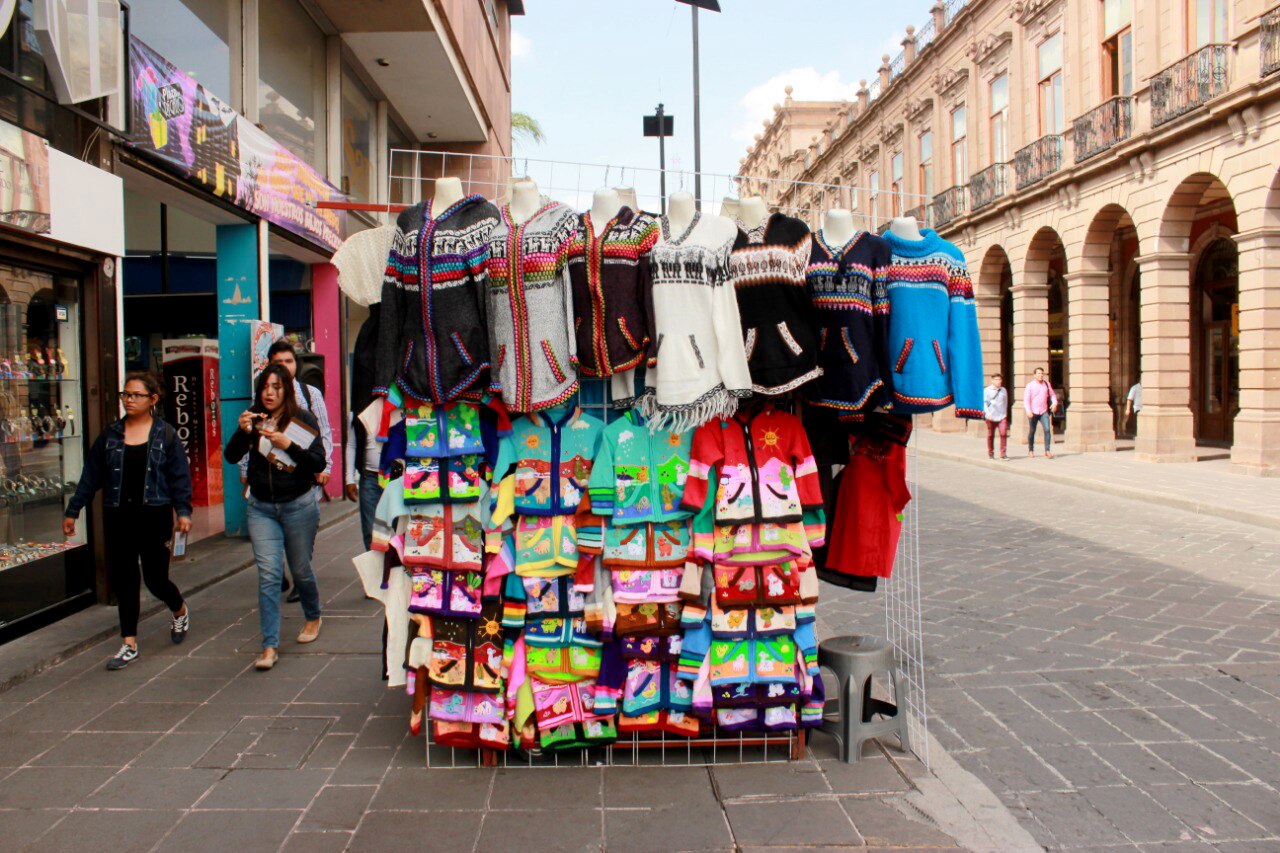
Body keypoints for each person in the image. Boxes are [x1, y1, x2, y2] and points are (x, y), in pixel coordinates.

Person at [64, 373, 192, 671]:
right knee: (125, 580)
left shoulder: (166, 434)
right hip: (118, 516)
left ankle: (179, 609)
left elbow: (179, 477)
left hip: (155, 515)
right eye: (126, 394)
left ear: (153, 399)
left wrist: (183, 512)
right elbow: (91, 476)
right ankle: (129, 643)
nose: (129, 400)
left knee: (156, 580)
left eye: (136, 395)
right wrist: (73, 510)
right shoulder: (110, 435)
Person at [225, 364, 326, 671]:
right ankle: (269, 646)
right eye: (265, 387)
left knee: (300, 569)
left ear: (287, 390)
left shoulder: (302, 419)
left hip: (298, 505)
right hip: (261, 508)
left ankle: (313, 615)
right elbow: (231, 456)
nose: (269, 393)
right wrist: (243, 432)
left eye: (276, 387)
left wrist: (288, 444)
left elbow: (317, 462)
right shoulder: (254, 419)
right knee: (269, 575)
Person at [241, 340, 333, 603]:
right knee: (272, 533)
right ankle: (276, 571)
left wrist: (325, 467)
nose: (284, 366)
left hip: (303, 476)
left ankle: (300, 578)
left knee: (300, 536)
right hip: (267, 480)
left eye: (289, 361)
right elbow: (250, 435)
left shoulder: (310, 393)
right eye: (278, 362)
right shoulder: (263, 396)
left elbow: (323, 431)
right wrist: (245, 468)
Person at [346, 413, 383, 551]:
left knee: (402, 530)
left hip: (398, 478)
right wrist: (349, 478)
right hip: (370, 478)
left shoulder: (401, 407)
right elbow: (351, 445)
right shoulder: (360, 412)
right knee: (370, 531)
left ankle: (399, 563)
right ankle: (374, 564)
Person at [1024, 367, 1058, 459]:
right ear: (1034, 375)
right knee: (1032, 431)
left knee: (1047, 430)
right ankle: (1031, 450)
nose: (1041, 375)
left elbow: (1052, 395)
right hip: (1033, 412)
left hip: (1043, 411)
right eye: (1038, 373)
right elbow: (1026, 400)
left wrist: (1054, 403)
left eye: (1042, 373)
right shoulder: (1030, 385)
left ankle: (1047, 451)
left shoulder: (1046, 384)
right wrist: (1028, 410)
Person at [983, 372, 1009, 460]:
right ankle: (991, 453)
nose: (998, 381)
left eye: (999, 379)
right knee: (991, 435)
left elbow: (1005, 402)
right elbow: (984, 403)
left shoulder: (1003, 390)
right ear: (992, 381)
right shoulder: (987, 390)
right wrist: (988, 414)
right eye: (996, 379)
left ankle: (1003, 454)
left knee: (1003, 433)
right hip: (991, 416)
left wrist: (1005, 414)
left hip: (1001, 416)